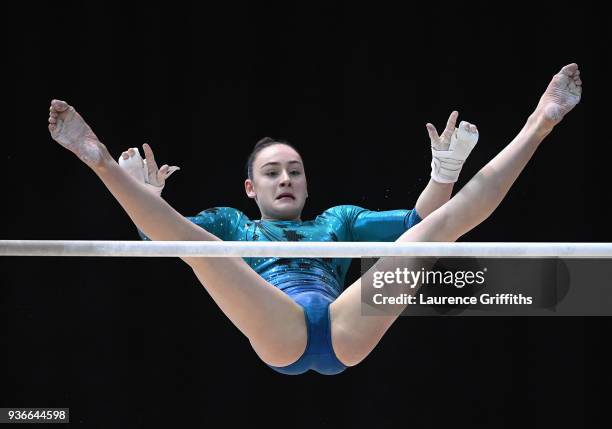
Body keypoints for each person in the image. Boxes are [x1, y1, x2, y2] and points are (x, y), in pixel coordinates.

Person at [47, 63, 582, 375]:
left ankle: (539, 124)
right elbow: (158, 237)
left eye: (295, 171)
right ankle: (95, 158)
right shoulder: (233, 225)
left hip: (345, 324)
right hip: (277, 328)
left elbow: (423, 219)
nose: (286, 179)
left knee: (441, 231)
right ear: (251, 188)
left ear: (306, 182)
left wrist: (443, 173)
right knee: (191, 243)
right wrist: (149, 201)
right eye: (273, 172)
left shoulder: (341, 221)